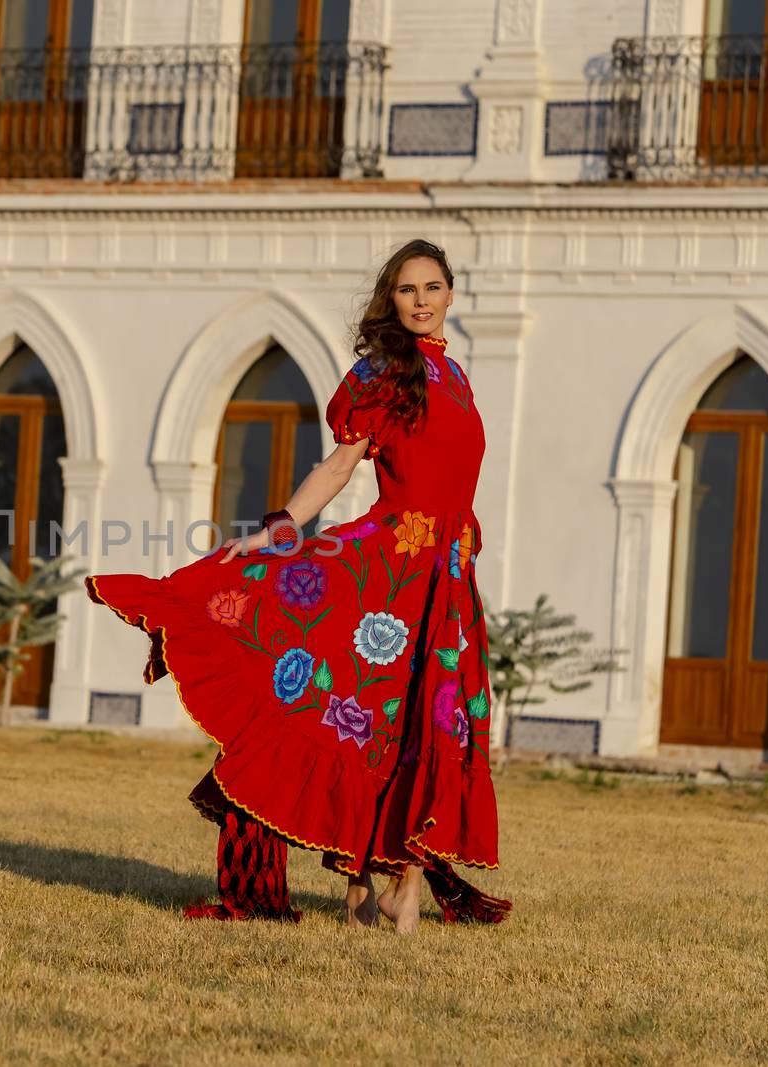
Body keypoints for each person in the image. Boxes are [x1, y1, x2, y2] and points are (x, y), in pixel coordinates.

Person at [85, 240, 511, 933]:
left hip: (447, 580)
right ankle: (356, 888)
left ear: (452, 295)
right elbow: (340, 467)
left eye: (433, 287)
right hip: (388, 572)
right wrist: (279, 525)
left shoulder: (458, 378)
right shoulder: (380, 374)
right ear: (391, 300)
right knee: (354, 719)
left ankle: (400, 881)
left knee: (417, 728)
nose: (422, 300)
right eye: (408, 290)